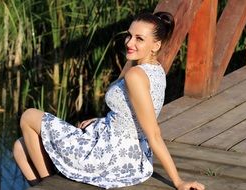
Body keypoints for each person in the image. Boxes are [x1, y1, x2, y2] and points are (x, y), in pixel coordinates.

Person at [13, 12, 205, 190]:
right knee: (20, 147)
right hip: (124, 148)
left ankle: (49, 185)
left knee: (29, 116)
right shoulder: (154, 69)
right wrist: (102, 121)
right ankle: (46, 182)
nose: (130, 42)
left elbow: (154, 133)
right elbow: (131, 115)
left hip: (112, 155)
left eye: (139, 39)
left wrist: (178, 182)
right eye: (129, 35)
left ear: (156, 45)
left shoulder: (136, 76)